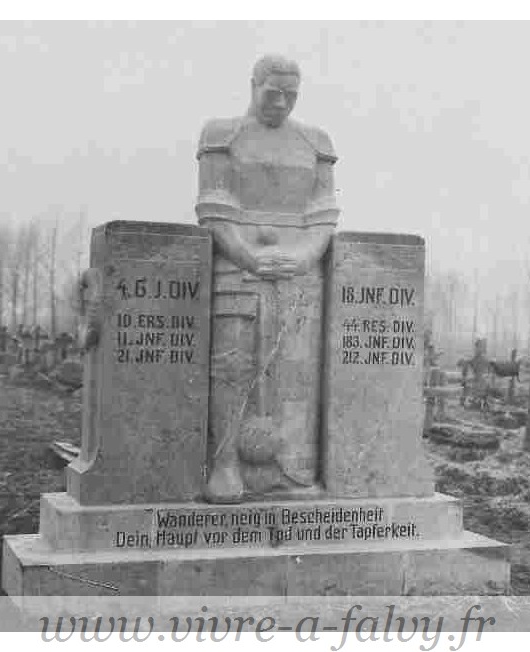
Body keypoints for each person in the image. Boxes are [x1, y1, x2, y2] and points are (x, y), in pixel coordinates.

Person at [196, 55, 340, 502]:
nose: (281, 102)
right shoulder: (223, 134)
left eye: (291, 95)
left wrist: (302, 257)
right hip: (236, 265)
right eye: (272, 92)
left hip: (298, 272)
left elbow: (323, 215)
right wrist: (247, 256)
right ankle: (224, 466)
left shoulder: (314, 142)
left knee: (296, 370)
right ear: (253, 85)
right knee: (231, 367)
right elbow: (214, 207)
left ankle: (292, 470)